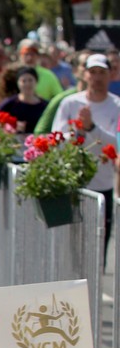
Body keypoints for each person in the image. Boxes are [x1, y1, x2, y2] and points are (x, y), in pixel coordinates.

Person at [52, 53, 120, 257]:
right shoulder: (69, 103)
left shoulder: (117, 106)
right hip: (72, 181)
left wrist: (92, 128)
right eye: (93, 72)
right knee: (71, 246)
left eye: (102, 73)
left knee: (99, 246)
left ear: (111, 75)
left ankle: (94, 288)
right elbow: (56, 139)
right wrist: (78, 132)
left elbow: (116, 143)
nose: (97, 78)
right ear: (84, 75)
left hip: (102, 184)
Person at [0, 66, 47, 134]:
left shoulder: (45, 105)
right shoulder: (9, 103)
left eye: (30, 80)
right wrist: (10, 126)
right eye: (23, 81)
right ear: (18, 83)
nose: (27, 84)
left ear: (36, 82)